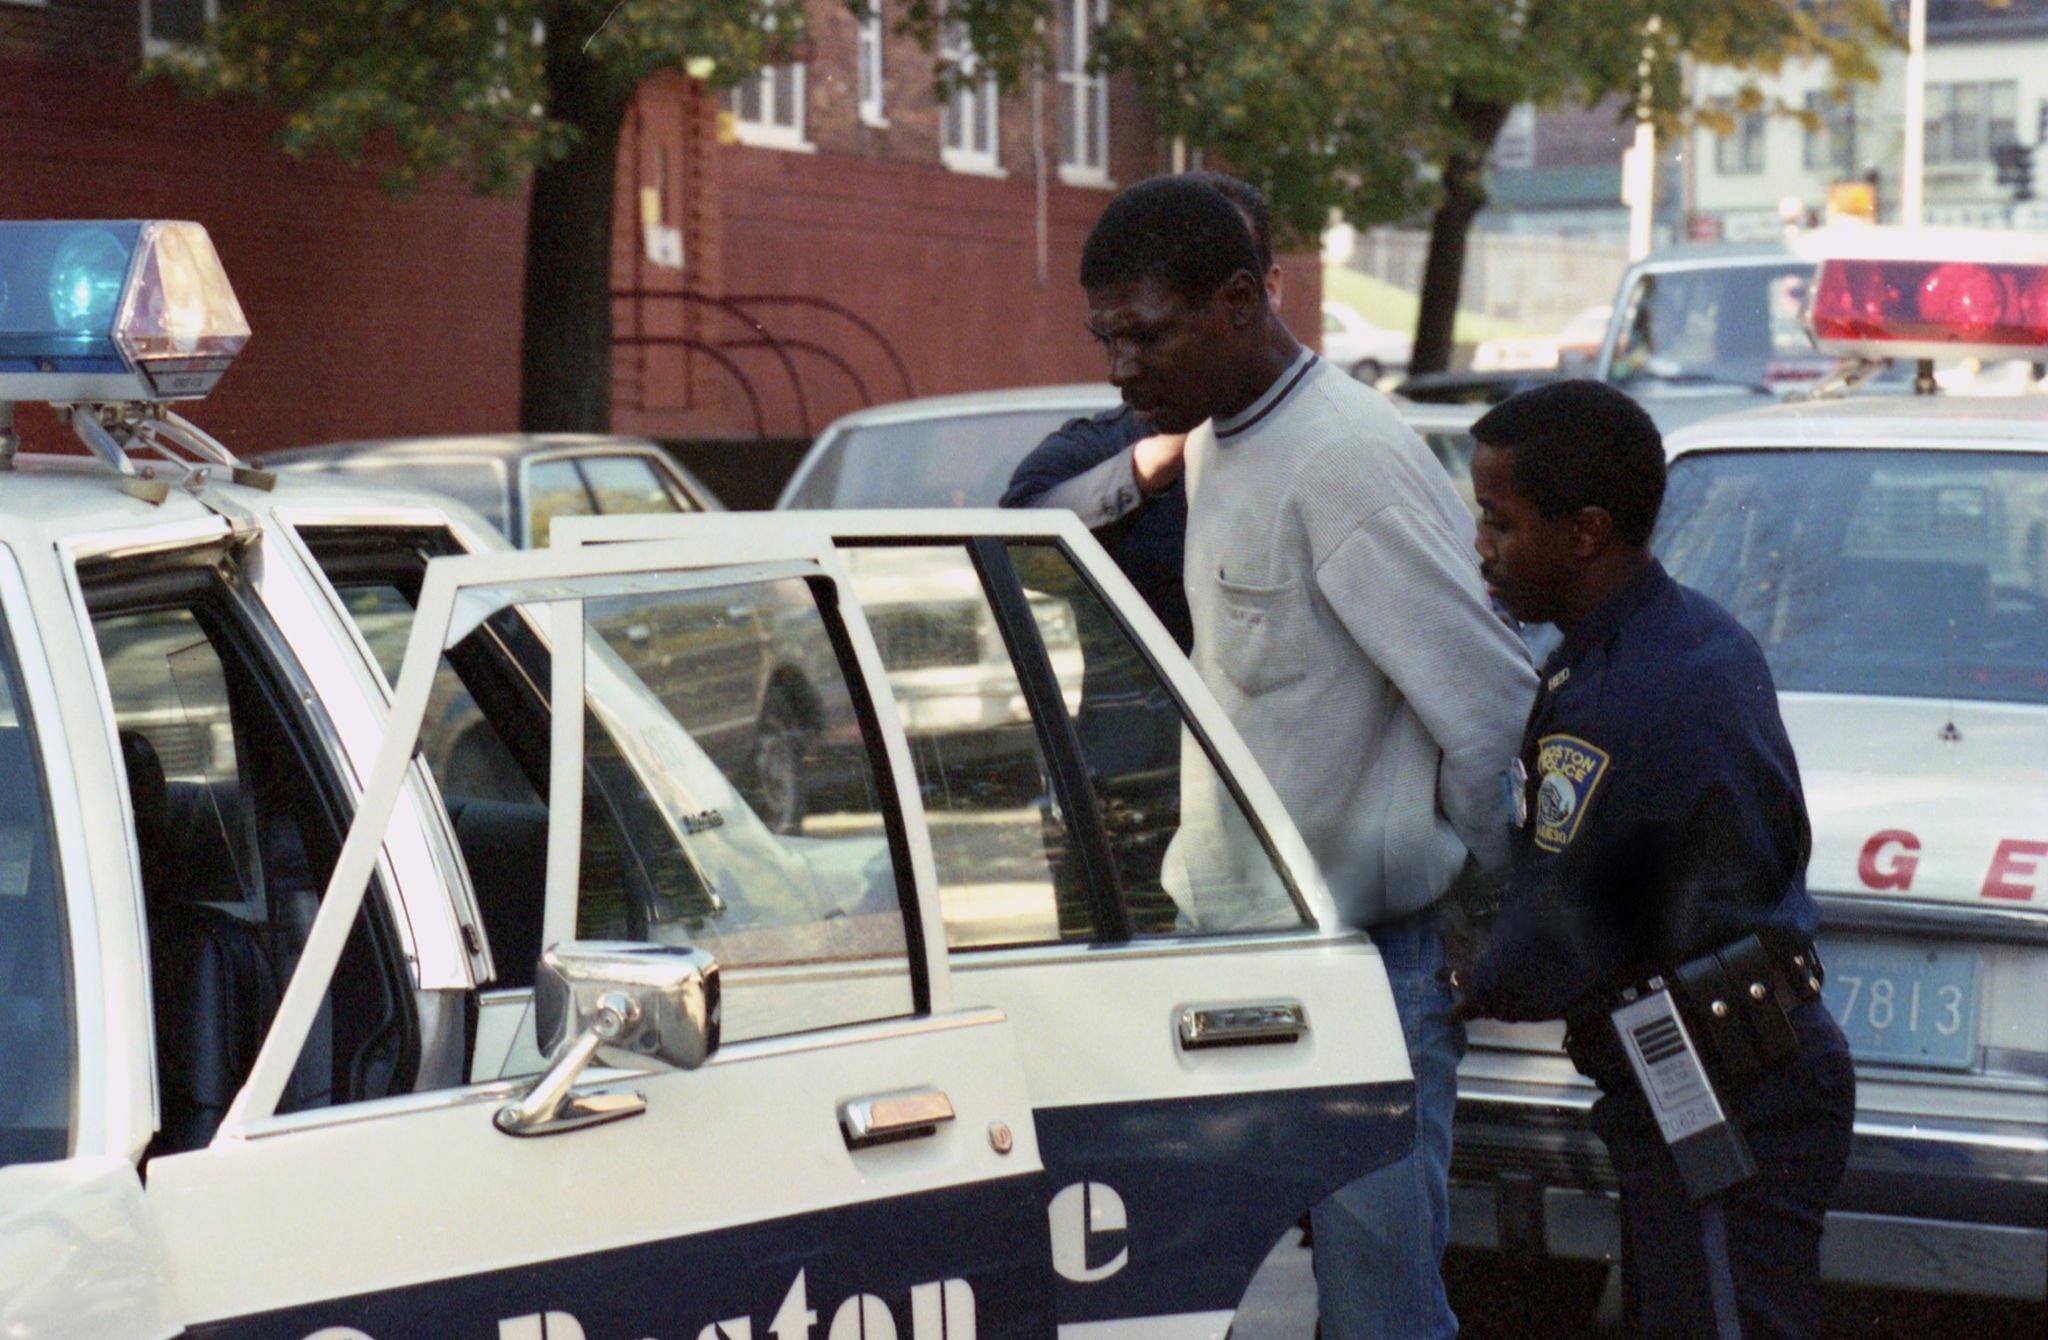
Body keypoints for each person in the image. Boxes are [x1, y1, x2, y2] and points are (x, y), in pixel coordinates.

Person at [1079, 174, 1536, 1339]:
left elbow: (1488, 707)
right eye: (1105, 339)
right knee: (1200, 1307)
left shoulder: (1346, 457)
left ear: (1238, 301)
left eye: (1144, 335)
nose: (1120, 368)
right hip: (1229, 958)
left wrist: (1472, 917)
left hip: (1363, 969)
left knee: (1380, 1314)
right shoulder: (1215, 446)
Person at [1452, 379, 1854, 1338]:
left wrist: (1454, 977)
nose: (1482, 547)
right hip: (1735, 1060)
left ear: (1586, 533)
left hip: (1725, 1082)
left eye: (1501, 522)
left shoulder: (1617, 697)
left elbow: (1554, 940)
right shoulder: (1690, 637)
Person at [1000, 171, 1284, 652]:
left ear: (1256, 292)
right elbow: (1016, 544)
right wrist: (1153, 464)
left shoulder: (1328, 447)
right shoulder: (1113, 443)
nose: (1120, 370)